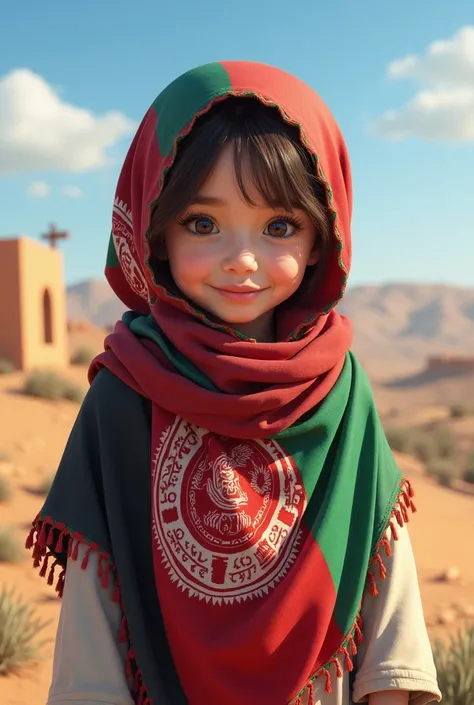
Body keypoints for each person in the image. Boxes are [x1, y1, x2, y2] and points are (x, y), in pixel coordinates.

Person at [26, 61, 441, 705]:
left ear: (321, 236)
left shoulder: (340, 384)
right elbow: (93, 615)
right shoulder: (126, 389)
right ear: (154, 229)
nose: (241, 259)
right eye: (202, 223)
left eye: (279, 226)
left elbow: (384, 576)